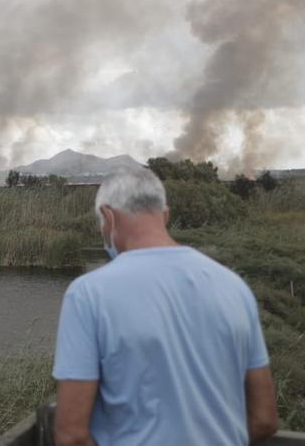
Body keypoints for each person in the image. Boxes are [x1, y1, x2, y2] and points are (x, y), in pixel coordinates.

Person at [53, 167, 278, 445]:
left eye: (101, 222)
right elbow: (265, 420)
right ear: (166, 215)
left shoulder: (88, 294)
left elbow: (71, 436)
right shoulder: (235, 287)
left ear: (109, 217)